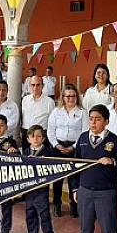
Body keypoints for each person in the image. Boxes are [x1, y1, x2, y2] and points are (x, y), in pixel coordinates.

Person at [66, 104, 117, 233]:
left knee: (109, 230)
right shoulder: (83, 138)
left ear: (106, 121)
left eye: (98, 119)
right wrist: (75, 188)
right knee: (85, 227)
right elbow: (75, 166)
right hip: (85, 190)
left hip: (105, 193)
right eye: (91, 118)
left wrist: (113, 161)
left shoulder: (115, 141)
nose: (93, 122)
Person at [48, 85, 87, 217]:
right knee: (57, 177)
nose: (70, 98)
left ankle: (73, 205)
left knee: (74, 178)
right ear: (63, 98)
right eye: (67, 96)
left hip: (75, 148)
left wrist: (73, 147)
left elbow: (84, 132)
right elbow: (50, 131)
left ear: (77, 97)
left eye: (73, 96)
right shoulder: (56, 111)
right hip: (57, 147)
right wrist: (57, 145)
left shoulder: (82, 112)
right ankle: (57, 204)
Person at [20, 125, 57, 233]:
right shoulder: (24, 152)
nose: (36, 139)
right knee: (30, 214)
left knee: (44, 216)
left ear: (44, 138)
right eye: (32, 136)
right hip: (29, 189)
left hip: (42, 190)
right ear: (28, 138)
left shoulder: (48, 152)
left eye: (39, 136)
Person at [21, 75, 56, 144]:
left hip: (41, 135)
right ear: (30, 86)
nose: (35, 88)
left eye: (38, 85)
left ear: (43, 86)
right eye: (33, 85)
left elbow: (52, 122)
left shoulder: (49, 102)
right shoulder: (25, 100)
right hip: (27, 133)